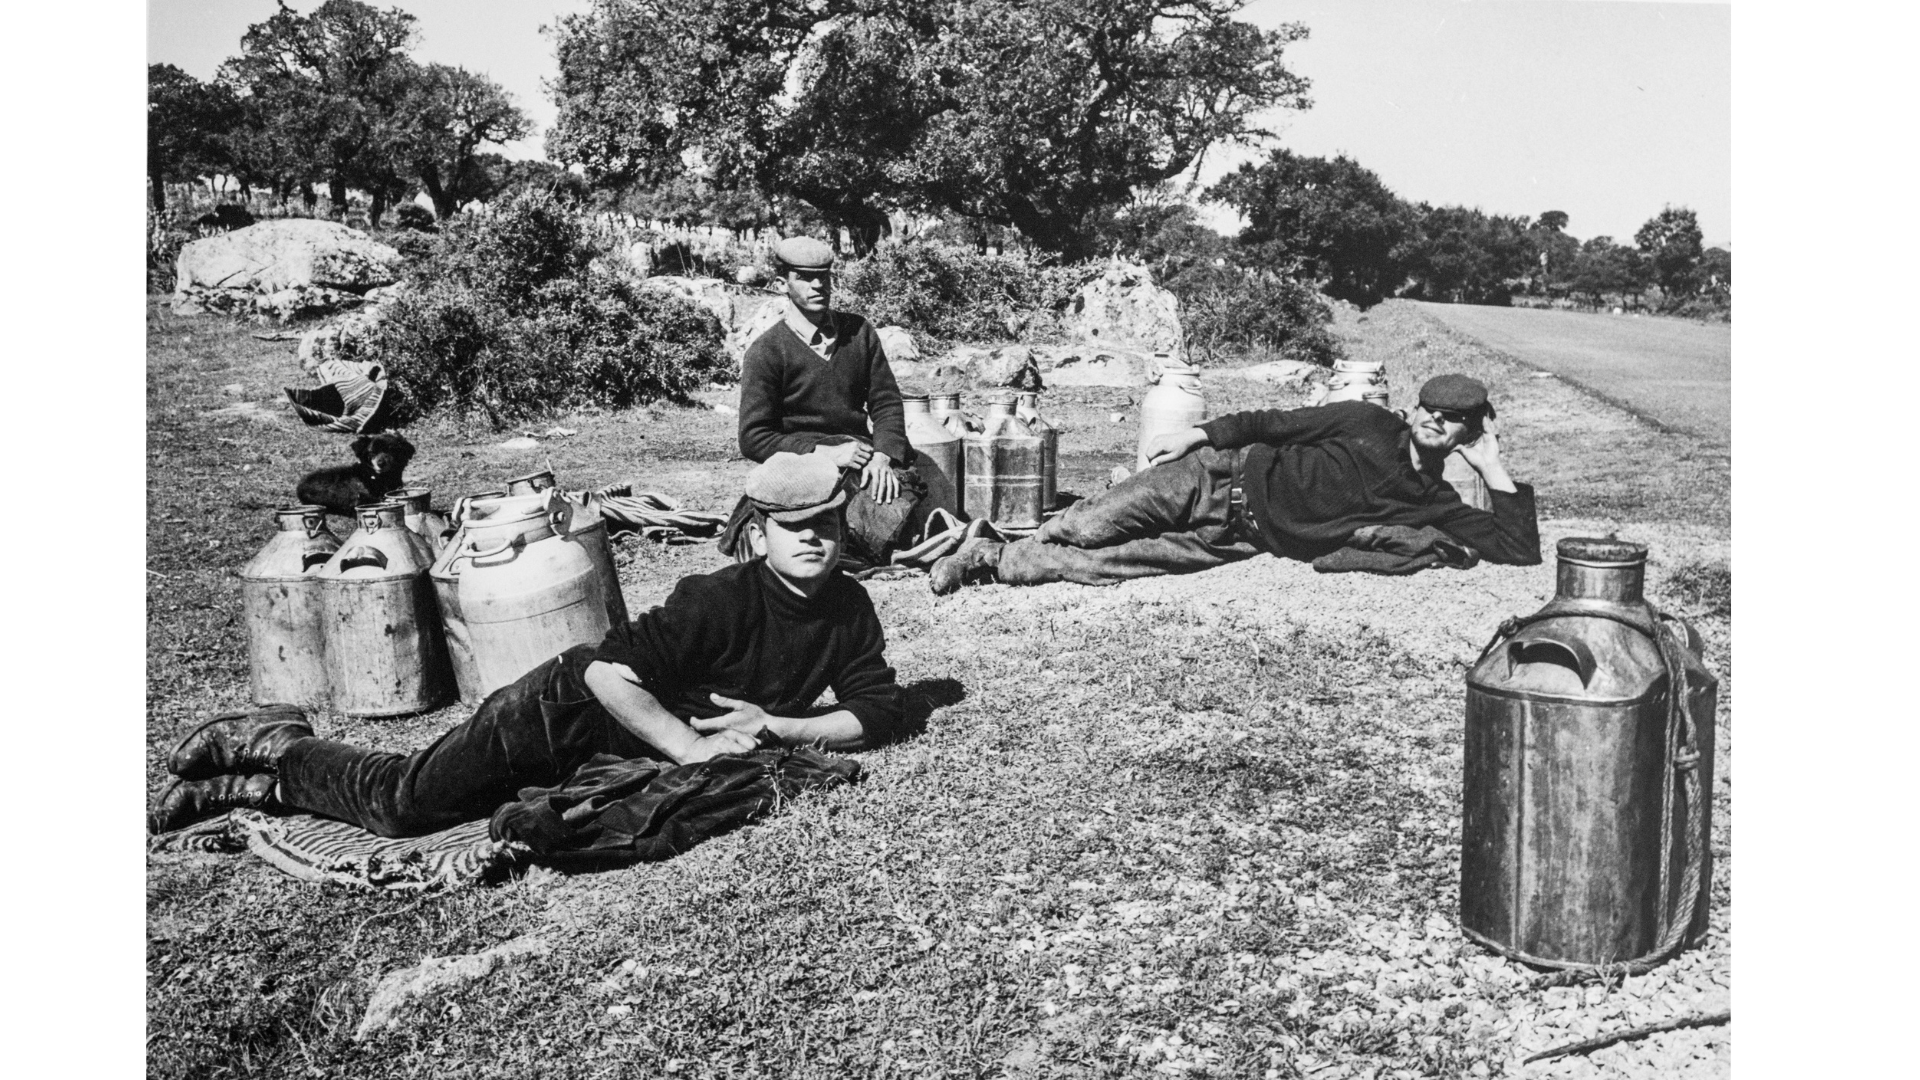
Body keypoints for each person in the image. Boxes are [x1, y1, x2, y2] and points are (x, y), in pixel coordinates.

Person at [150, 453, 907, 838]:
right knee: (407, 803)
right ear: (758, 531)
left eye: (826, 525)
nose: (813, 540)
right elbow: (611, 674)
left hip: (618, 756)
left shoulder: (848, 608)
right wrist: (690, 748)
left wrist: (783, 726)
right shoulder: (717, 599)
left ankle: (251, 792)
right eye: (793, 526)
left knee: (491, 819)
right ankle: (275, 744)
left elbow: (878, 707)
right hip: (562, 712)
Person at [929, 374, 1541, 592]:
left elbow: (1516, 550)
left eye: (1455, 418)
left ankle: (990, 557)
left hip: (1237, 539)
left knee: (1101, 565)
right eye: (1431, 407)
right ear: (1414, 409)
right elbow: (1271, 422)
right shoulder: (1367, 421)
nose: (1437, 419)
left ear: (1471, 430)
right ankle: (997, 536)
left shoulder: (1432, 502)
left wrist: (1494, 471)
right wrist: (1195, 438)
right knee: (1087, 524)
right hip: (1216, 477)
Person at [724, 235, 928, 571]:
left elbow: (887, 403)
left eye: (825, 276)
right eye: (804, 277)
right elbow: (754, 437)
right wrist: (823, 453)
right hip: (799, 462)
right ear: (781, 284)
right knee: (804, 518)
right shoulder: (767, 351)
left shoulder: (858, 332)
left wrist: (883, 456)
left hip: (861, 458)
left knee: (890, 502)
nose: (818, 285)